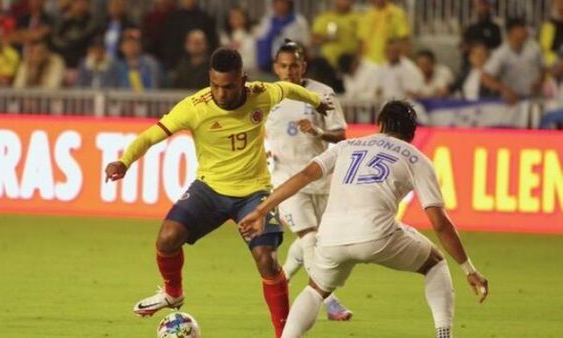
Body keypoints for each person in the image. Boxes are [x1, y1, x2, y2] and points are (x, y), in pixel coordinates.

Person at [104, 47, 333, 338]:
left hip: (254, 193)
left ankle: (283, 334)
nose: (221, 94)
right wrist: (124, 161)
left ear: (243, 80)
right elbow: (151, 135)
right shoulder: (194, 107)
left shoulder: (261, 93)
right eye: (215, 86)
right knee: (168, 237)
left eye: (229, 87)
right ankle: (173, 293)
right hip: (209, 189)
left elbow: (287, 88)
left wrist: (316, 101)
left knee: (267, 259)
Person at [240, 100, 489, 338]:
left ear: (380, 123)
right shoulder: (417, 159)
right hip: (376, 235)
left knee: (315, 289)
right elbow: (440, 223)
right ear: (412, 132)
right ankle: (444, 334)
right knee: (435, 263)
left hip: (331, 236)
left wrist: (262, 210)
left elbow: (305, 175)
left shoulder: (347, 146)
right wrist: (469, 269)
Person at [266, 40, 351, 321]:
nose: (289, 71)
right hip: (286, 180)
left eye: (294, 66)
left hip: (318, 176)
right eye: (284, 66)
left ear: (303, 66)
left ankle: (284, 275)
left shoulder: (322, 94)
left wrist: (317, 132)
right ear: (276, 68)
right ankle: (330, 301)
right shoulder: (268, 97)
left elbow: (340, 134)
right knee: (309, 236)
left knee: (319, 241)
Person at [481, 17, 545, 104]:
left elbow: (543, 69)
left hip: (535, 98)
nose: (525, 30)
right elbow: (485, 77)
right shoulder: (501, 52)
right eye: (521, 28)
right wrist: (504, 90)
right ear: (511, 32)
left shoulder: (534, 47)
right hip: (514, 101)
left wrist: (540, 81)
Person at [357, 0, 410, 64]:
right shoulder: (366, 16)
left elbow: (404, 40)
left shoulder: (397, 13)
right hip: (368, 63)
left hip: (388, 63)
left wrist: (402, 63)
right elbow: (361, 42)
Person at [311, 0, 360, 69]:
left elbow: (362, 42)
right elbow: (313, 39)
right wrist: (327, 38)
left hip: (349, 65)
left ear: (353, 2)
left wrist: (356, 61)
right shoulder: (324, 17)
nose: (344, 2)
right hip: (327, 65)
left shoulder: (359, 18)